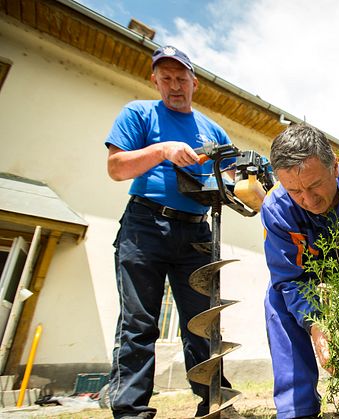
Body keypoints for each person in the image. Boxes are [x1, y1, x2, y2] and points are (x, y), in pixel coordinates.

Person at [105, 45, 237, 419]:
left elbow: (232, 178)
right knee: (138, 323)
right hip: (145, 226)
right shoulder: (138, 113)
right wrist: (161, 150)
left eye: (182, 79)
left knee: (204, 325)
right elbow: (116, 168)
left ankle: (212, 404)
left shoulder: (213, 130)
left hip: (197, 233)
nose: (175, 86)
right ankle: (131, 411)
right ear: (155, 80)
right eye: (166, 78)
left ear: (195, 83)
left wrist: (239, 183)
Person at [261, 123, 339, 419]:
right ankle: (297, 410)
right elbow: (288, 279)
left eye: (314, 186)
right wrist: (316, 325)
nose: (309, 201)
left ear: (335, 167)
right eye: (295, 191)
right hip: (309, 276)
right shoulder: (275, 209)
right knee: (276, 301)